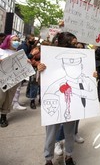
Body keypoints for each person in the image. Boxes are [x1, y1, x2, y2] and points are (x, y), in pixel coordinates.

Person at [39, 32, 80, 165]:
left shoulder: (78, 58)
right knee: (51, 133)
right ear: (65, 44)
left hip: (71, 101)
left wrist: (92, 75)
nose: (78, 46)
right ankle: (48, 159)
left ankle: (69, 156)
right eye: (74, 44)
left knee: (69, 131)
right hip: (54, 101)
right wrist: (40, 71)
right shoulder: (49, 58)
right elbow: (42, 83)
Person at [0, 34, 22, 127]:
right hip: (1, 79)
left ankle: (3, 116)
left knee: (9, 98)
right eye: (14, 40)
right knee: (1, 97)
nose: (16, 42)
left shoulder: (19, 53)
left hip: (13, 80)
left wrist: (27, 62)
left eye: (18, 40)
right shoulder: (1, 51)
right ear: (8, 41)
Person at [12, 33, 37, 110]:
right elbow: (23, 58)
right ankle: (15, 103)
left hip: (22, 68)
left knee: (18, 87)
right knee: (17, 87)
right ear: (27, 39)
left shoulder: (28, 46)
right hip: (18, 68)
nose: (33, 40)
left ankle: (16, 102)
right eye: (32, 39)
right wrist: (32, 54)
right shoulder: (23, 46)